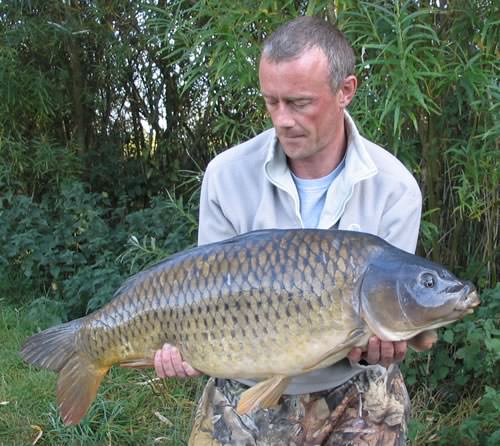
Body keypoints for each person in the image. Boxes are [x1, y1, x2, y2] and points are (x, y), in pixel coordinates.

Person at [155, 16, 422, 446]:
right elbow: (202, 294)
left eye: (299, 103)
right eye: (271, 102)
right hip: (245, 383)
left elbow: (392, 309)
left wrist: (386, 337)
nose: (282, 120)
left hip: (354, 386)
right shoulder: (227, 175)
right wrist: (186, 347)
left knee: (378, 387)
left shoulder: (394, 188)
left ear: (345, 91)